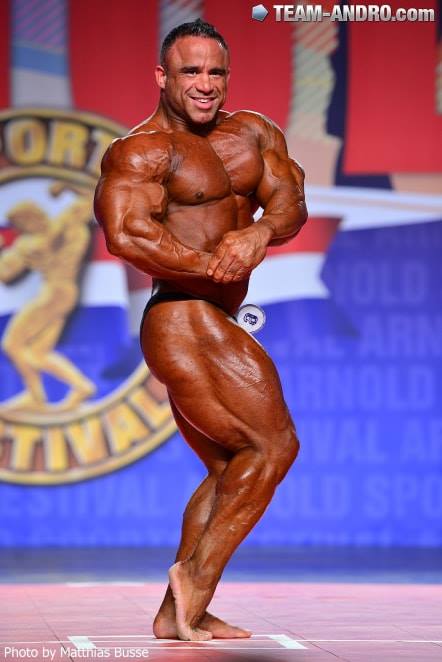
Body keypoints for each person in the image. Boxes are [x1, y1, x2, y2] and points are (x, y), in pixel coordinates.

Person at [94, 19, 307, 642]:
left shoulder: (254, 132)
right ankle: (196, 576)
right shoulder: (141, 150)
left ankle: (176, 612)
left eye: (216, 72)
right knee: (273, 446)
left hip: (215, 315)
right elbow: (127, 235)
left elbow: (292, 202)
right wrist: (214, 263)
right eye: (191, 71)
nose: (205, 84)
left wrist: (259, 233)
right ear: (163, 77)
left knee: (230, 467)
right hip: (181, 314)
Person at [0, 183, 95, 413]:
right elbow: (5, 273)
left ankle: (36, 397)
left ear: (30, 219)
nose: (21, 228)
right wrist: (68, 187)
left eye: (21, 223)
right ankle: (81, 387)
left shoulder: (39, 239)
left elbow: (96, 197)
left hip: (54, 293)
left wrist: (66, 185)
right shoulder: (67, 221)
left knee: (12, 344)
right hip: (64, 293)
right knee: (37, 353)